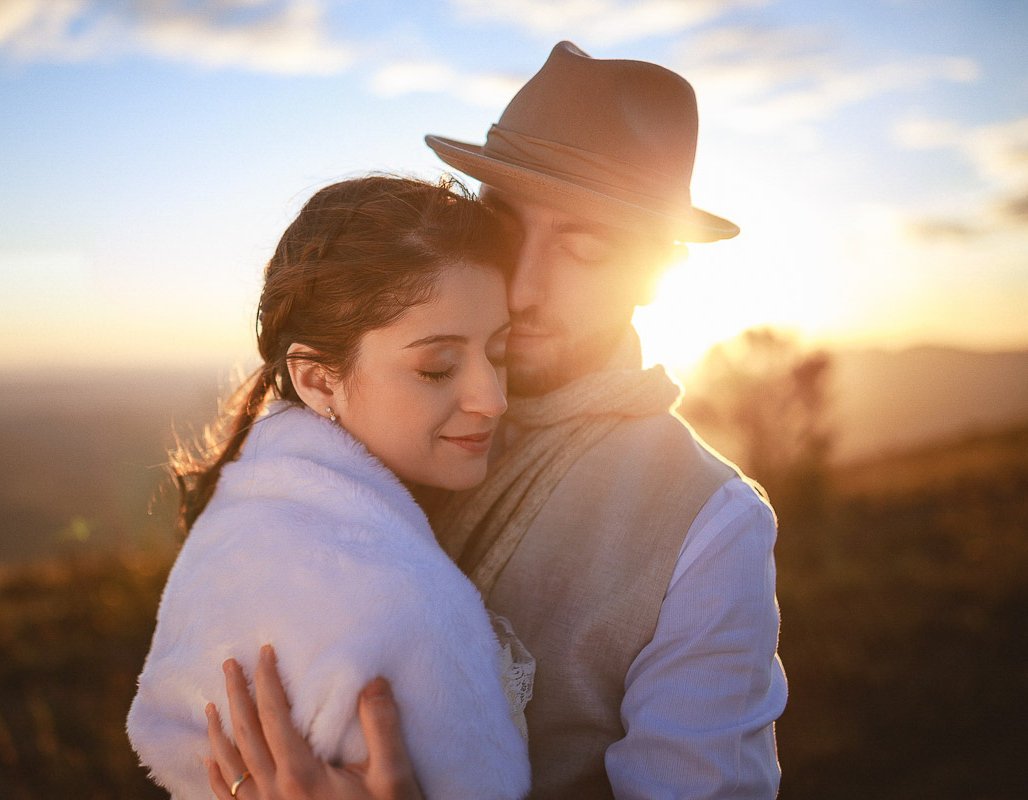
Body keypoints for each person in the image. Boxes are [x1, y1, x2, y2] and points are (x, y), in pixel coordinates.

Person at [206, 41, 786, 799]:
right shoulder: (367, 416)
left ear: (658, 273)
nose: (521, 286)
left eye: (583, 248)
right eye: (504, 228)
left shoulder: (710, 525)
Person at [127, 176, 532, 800]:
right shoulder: (382, 600)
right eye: (437, 368)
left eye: (499, 351)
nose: (493, 399)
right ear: (317, 380)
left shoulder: (255, 512)